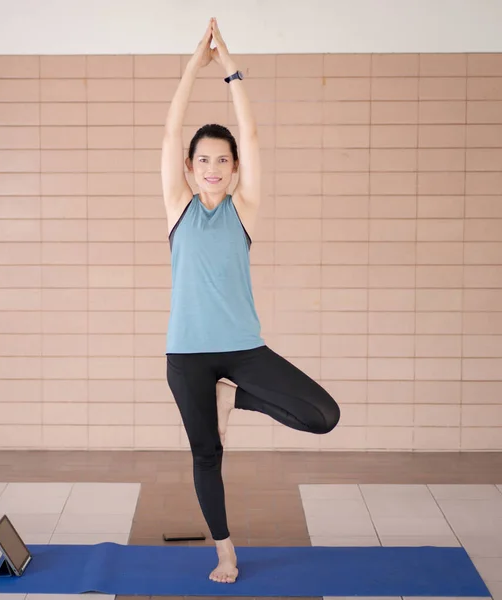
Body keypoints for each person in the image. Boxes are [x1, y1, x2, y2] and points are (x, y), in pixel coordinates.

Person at [161, 18, 341, 584]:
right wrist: (194, 65)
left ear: (234, 170)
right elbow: (169, 136)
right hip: (187, 356)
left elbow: (254, 135)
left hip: (243, 351)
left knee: (322, 416)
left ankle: (233, 399)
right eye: (203, 160)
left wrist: (230, 68)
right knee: (206, 455)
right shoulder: (178, 209)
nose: (213, 168)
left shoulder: (244, 211)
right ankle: (226, 552)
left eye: (223, 161)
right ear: (191, 169)